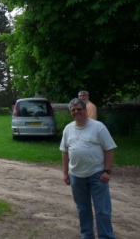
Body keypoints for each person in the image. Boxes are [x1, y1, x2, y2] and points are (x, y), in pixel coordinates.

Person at [60, 98, 117, 239]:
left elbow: (109, 149)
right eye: (73, 110)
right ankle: (86, 236)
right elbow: (65, 152)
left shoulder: (98, 127)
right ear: (70, 112)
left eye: (79, 109)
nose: (76, 112)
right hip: (76, 176)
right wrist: (66, 173)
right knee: (83, 209)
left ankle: (106, 236)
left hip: (97, 175)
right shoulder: (68, 129)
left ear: (85, 110)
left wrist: (107, 171)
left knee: (102, 210)